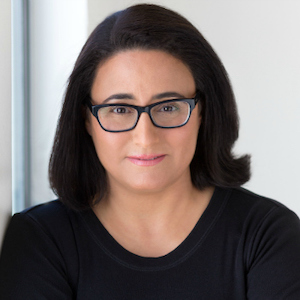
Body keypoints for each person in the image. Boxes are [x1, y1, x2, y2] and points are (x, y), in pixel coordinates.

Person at [1, 3, 300, 299]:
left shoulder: (268, 235)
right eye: (119, 109)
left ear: (203, 112)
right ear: (87, 120)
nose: (145, 137)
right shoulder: (40, 241)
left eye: (168, 107)